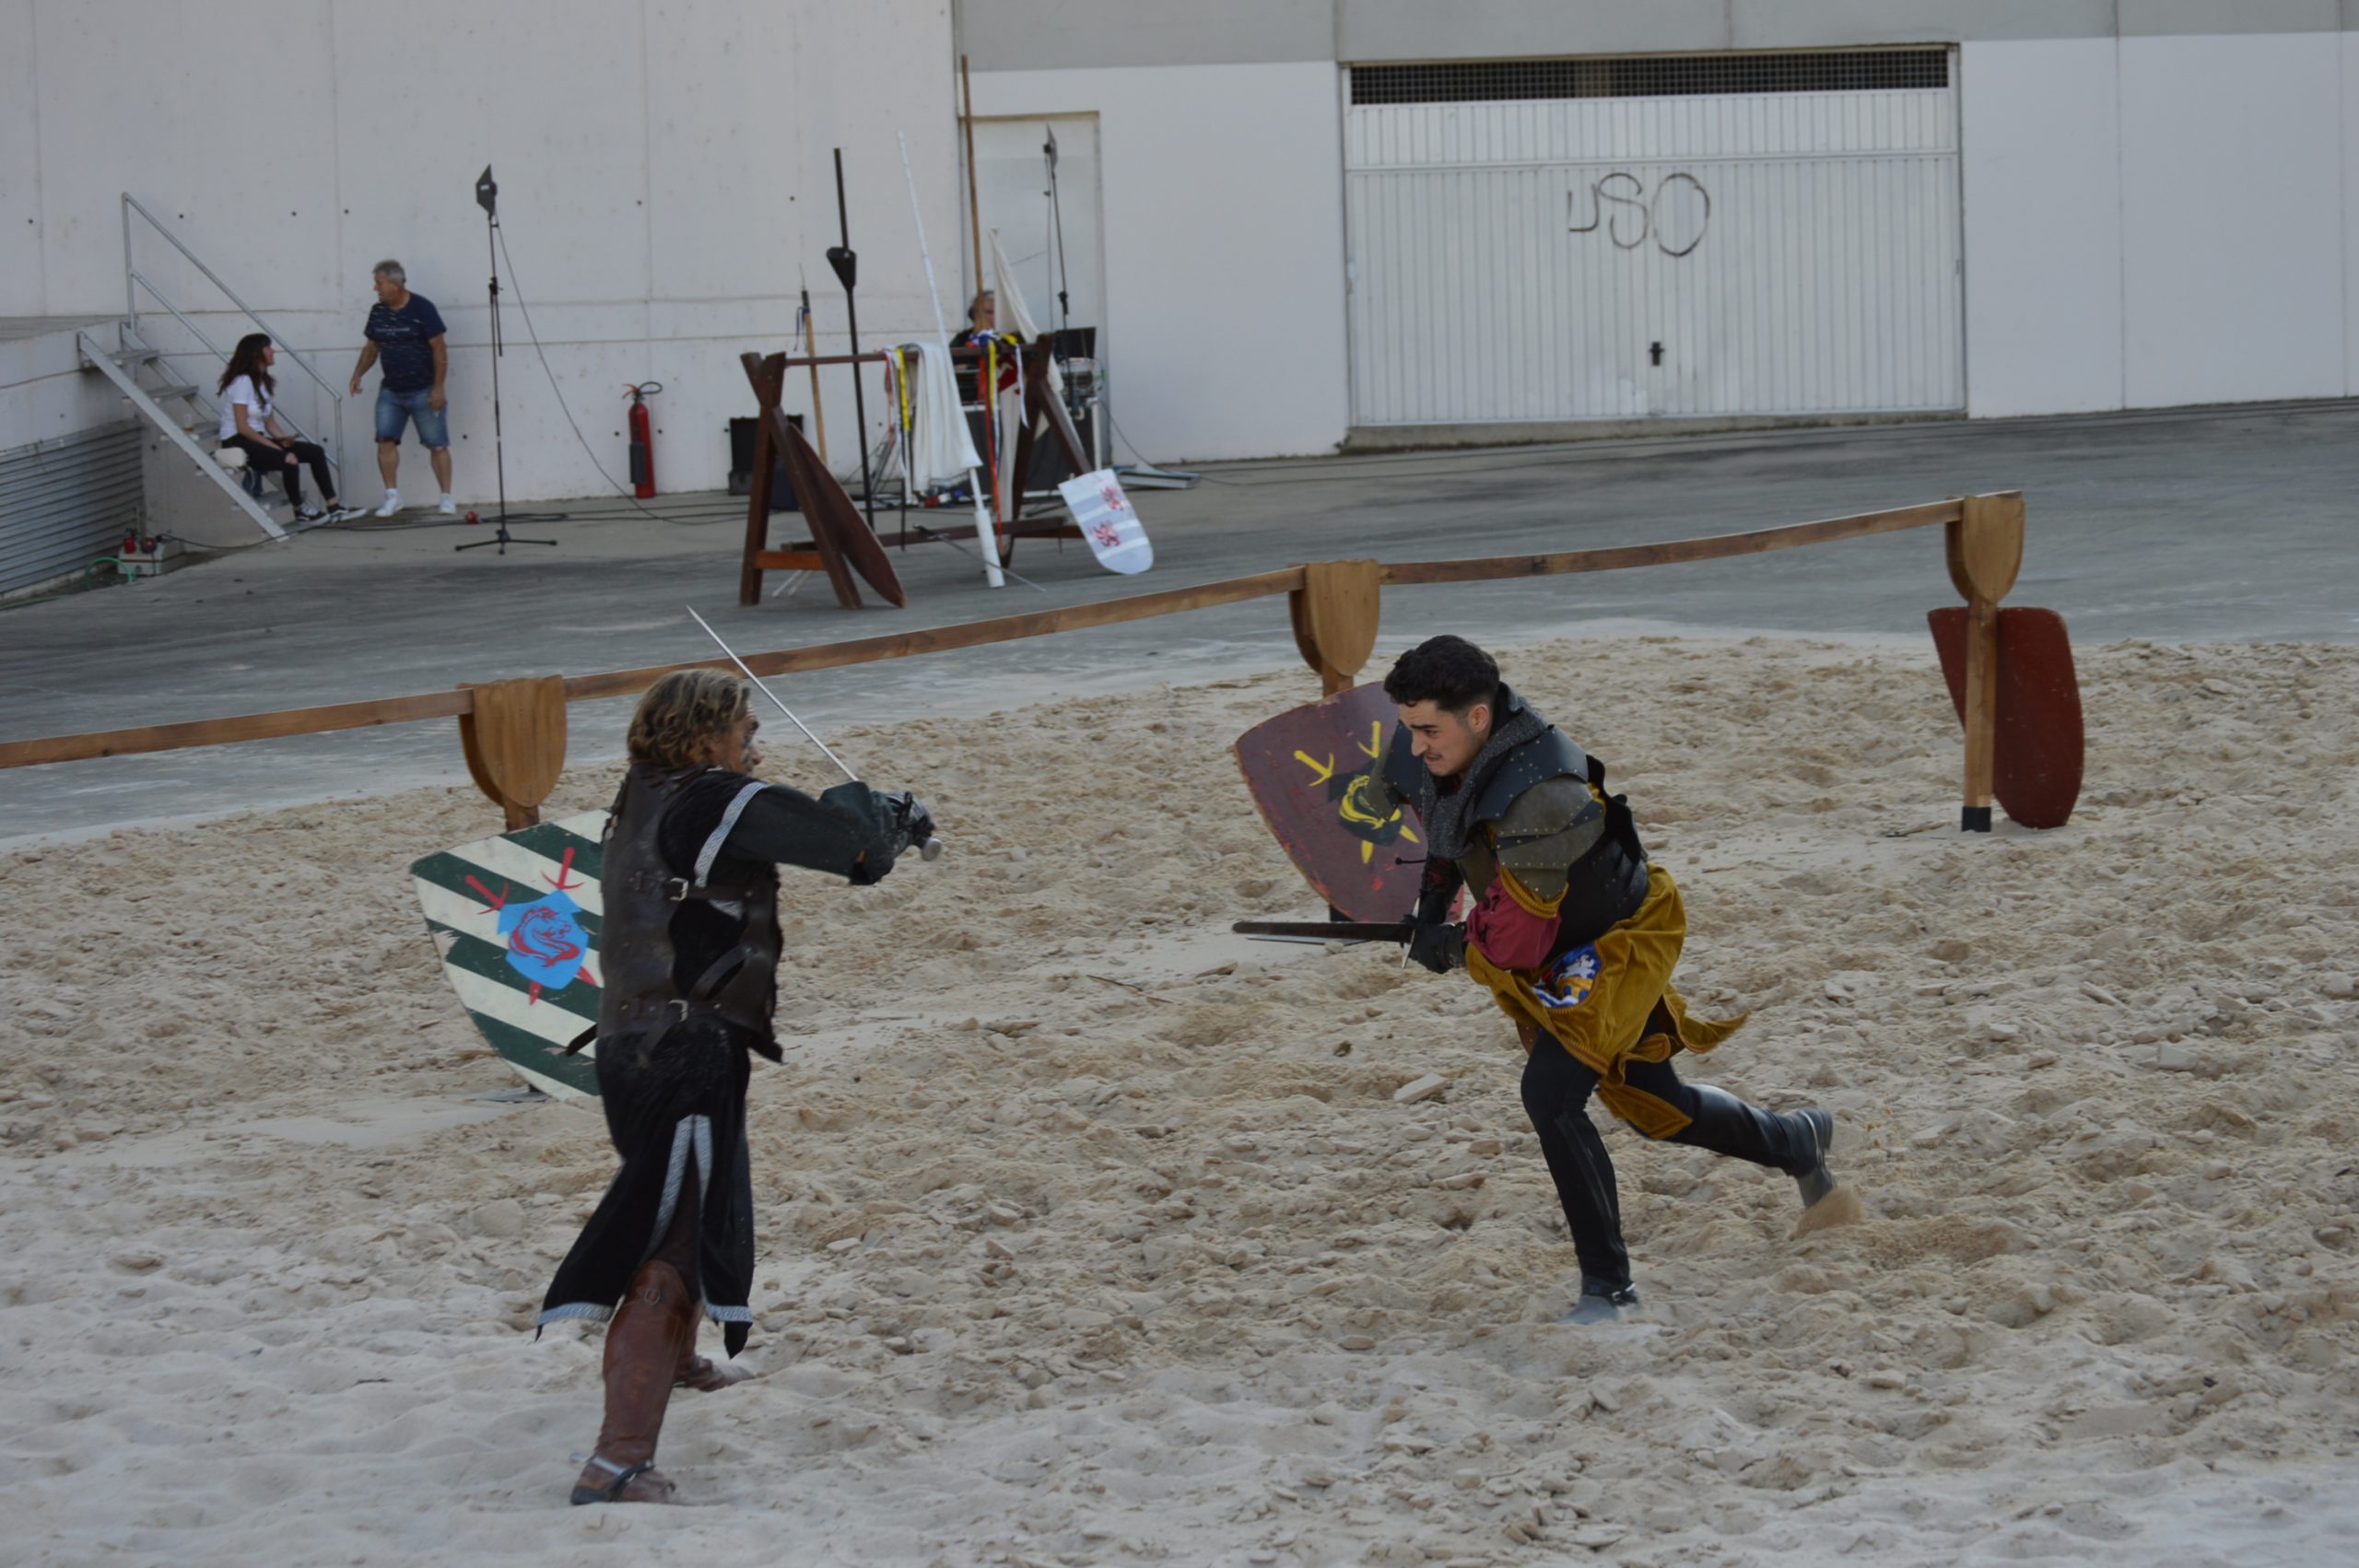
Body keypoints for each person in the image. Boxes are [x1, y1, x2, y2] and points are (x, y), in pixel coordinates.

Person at [539, 669, 935, 1505]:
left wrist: (875, 822)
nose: (755, 742)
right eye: (745, 728)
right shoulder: (714, 800)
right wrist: (891, 819)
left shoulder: (643, 790)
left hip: (633, 1046)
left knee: (690, 1206)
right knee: (674, 1245)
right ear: (706, 734)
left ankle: (676, 1365)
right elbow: (854, 853)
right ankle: (616, 1464)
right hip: (684, 1052)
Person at [1366, 636, 1837, 1325]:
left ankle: (1607, 1290)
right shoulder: (1434, 746)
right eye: (1408, 729)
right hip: (1553, 937)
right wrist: (1429, 913)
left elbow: (1517, 944)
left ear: (1477, 718)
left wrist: (1448, 946)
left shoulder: (1543, 795)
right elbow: (1440, 828)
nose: (1415, 748)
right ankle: (1797, 1140)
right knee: (1656, 1105)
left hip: (1614, 943)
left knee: (1551, 1098)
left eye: (1428, 730)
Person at [346, 260, 454, 517]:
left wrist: (438, 388)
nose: (376, 288)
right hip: (391, 392)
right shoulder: (378, 311)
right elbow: (372, 346)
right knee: (384, 441)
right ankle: (392, 496)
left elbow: (439, 348)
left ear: (395, 284)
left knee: (437, 444)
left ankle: (446, 497)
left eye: (379, 283)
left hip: (423, 389)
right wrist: (358, 373)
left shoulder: (422, 308)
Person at [215, 334, 347, 521]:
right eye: (268, 347)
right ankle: (299, 509)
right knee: (289, 460)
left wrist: (283, 438)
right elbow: (243, 427)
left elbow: (269, 423)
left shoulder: (264, 383)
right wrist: (276, 448)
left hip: (255, 438)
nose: (273, 351)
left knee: (315, 451)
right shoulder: (242, 381)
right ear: (256, 353)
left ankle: (334, 506)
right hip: (236, 442)